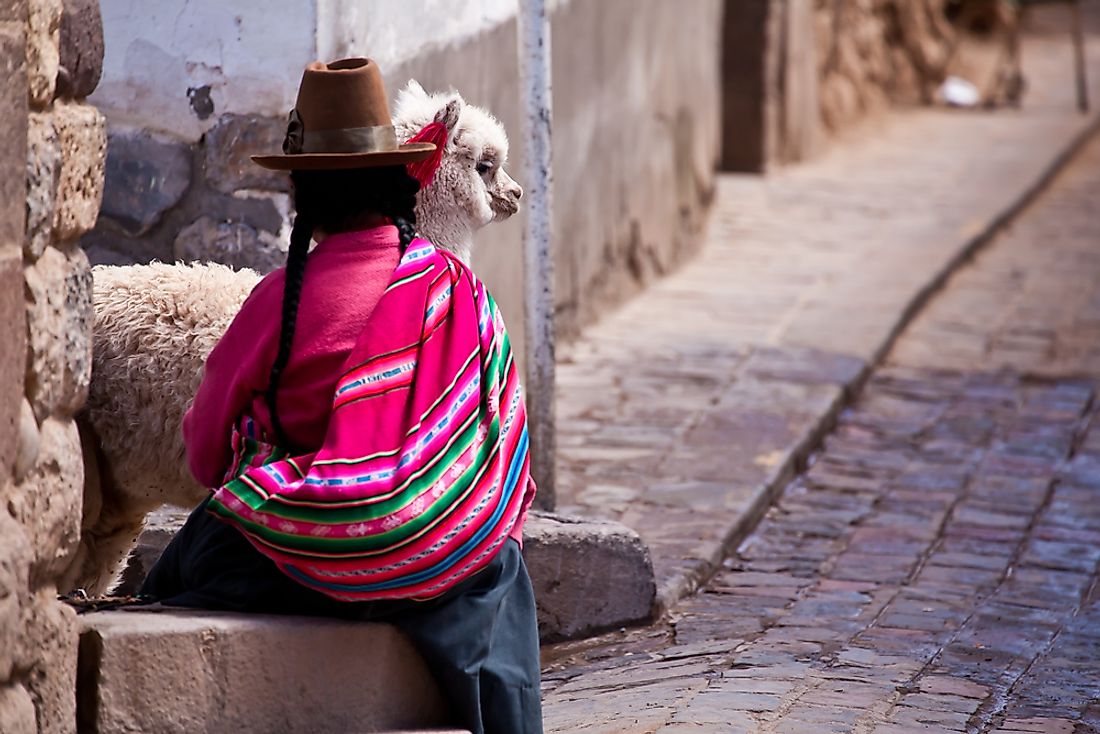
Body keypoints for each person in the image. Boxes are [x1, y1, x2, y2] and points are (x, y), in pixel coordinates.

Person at [140, 57, 542, 734]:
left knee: (189, 558)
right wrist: (417, 514)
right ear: (399, 179)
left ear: (304, 196)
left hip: (291, 560)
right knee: (498, 566)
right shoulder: (460, 294)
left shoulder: (277, 302)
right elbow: (498, 446)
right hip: (437, 558)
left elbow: (207, 456)